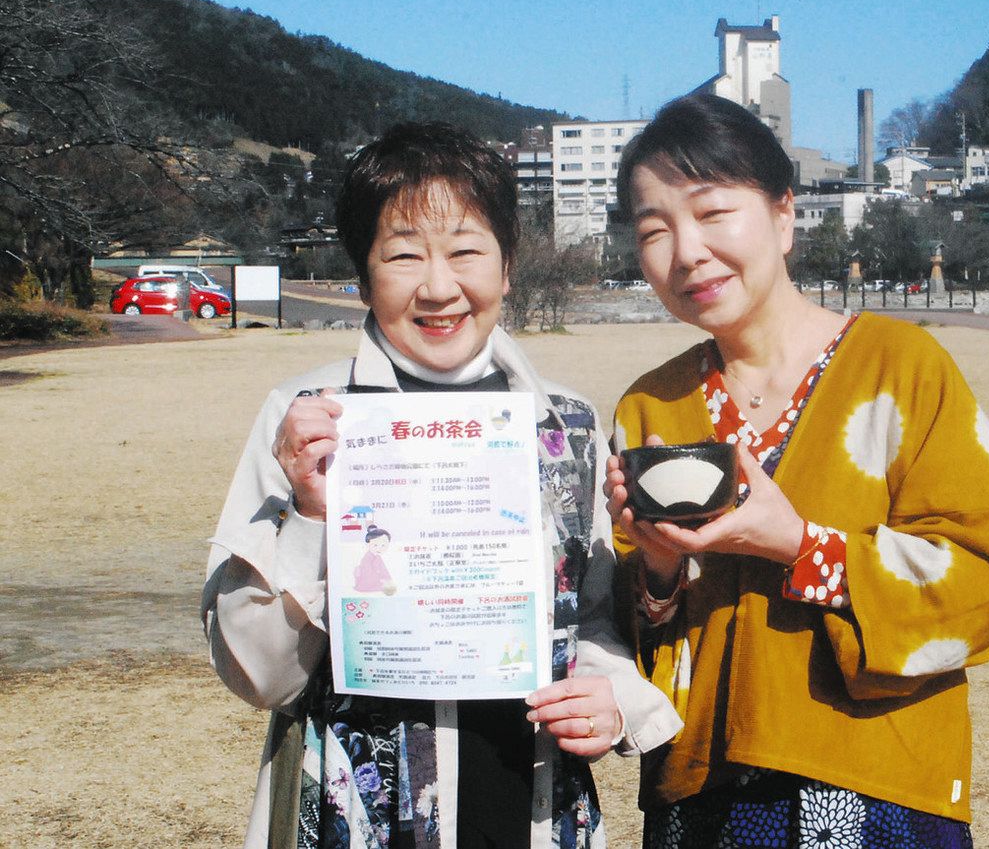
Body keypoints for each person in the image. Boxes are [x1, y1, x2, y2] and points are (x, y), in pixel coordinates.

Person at [202, 121, 681, 849]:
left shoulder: (567, 425)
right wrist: (307, 512)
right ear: (363, 275)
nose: (438, 286)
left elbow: (592, 621)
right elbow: (259, 674)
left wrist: (610, 697)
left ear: (507, 264)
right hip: (356, 817)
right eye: (402, 255)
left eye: (465, 251)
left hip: (533, 804)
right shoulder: (308, 420)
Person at [602, 94, 989, 848]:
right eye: (654, 230)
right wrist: (659, 570)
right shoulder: (649, 406)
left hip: (874, 782)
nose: (686, 251)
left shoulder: (902, 367)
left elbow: (983, 575)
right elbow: (632, 636)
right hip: (700, 796)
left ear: (784, 214)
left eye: (711, 212)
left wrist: (801, 544)